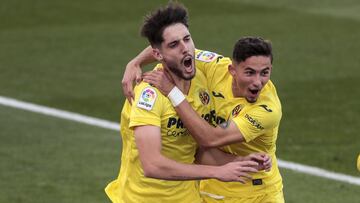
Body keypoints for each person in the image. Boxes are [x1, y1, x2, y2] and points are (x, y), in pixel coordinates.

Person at [106, 3, 271, 203]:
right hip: (142, 199)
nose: (186, 49)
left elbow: (195, 150)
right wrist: (217, 172)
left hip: (188, 198)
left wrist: (239, 162)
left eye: (187, 39)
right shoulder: (149, 93)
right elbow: (152, 165)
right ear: (158, 54)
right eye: (174, 45)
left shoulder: (202, 80)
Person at [124, 36, 284, 202]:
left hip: (256, 192)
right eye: (249, 73)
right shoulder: (216, 66)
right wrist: (135, 63)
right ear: (232, 70)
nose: (258, 82)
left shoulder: (267, 110)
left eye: (265, 73)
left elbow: (210, 138)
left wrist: (172, 92)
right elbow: (170, 51)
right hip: (211, 186)